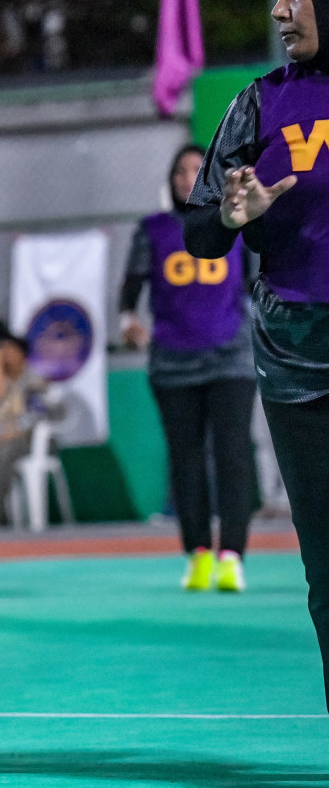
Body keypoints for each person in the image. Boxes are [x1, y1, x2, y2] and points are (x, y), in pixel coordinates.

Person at [182, 0, 329, 704]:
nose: (281, 10)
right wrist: (234, 216)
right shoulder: (260, 101)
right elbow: (199, 229)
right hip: (297, 359)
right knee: (327, 570)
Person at [123, 145, 258, 590]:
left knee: (233, 454)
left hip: (230, 358)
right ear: (170, 179)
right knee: (186, 459)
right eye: (180, 170)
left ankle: (232, 555)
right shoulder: (153, 230)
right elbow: (130, 287)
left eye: (197, 169)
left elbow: (255, 283)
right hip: (173, 363)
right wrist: (128, 321)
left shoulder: (236, 224)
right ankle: (197, 552)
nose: (188, 177)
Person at [0, 334, 48, 527]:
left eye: (9, 350)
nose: (4, 356)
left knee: (4, 454)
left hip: (24, 439)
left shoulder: (34, 381)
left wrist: (9, 432)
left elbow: (38, 415)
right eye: (1, 351)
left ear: (21, 354)